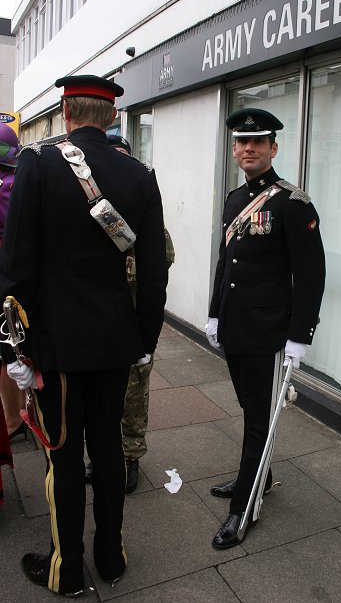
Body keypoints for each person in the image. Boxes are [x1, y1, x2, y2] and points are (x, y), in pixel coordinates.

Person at [0, 75, 168, 596]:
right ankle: (111, 558)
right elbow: (155, 269)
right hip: (117, 341)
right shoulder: (140, 175)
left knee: (64, 455)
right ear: (113, 116)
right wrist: (142, 338)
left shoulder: (39, 162)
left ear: (66, 113)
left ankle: (66, 568)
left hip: (58, 345)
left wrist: (16, 347)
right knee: (111, 452)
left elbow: (17, 265)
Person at [206, 107, 325, 549]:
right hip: (236, 326)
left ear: (274, 148)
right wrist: (215, 313)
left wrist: (300, 336)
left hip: (269, 331)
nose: (249, 148)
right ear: (234, 148)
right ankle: (261, 473)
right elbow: (226, 264)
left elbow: (311, 275)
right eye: (242, 141)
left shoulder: (293, 203)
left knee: (259, 418)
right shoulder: (235, 200)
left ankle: (244, 507)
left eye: (259, 141)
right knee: (250, 407)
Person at [85, 134, 175, 494]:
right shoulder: (94, 208)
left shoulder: (142, 205)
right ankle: (102, 455)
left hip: (135, 316)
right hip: (99, 317)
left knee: (134, 393)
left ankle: (131, 457)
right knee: (100, 395)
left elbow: (163, 257)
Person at [0, 123, 26, 441]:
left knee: (5, 351)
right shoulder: (20, 181)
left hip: (5, 278)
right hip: (21, 278)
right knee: (18, 346)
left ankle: (12, 420)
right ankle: (21, 413)